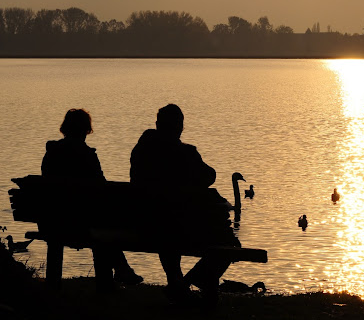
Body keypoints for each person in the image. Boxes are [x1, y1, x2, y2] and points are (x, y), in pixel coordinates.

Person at [130, 104, 238, 303]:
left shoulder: (141, 150)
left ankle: (177, 283)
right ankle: (189, 282)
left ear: (157, 125)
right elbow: (209, 176)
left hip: (144, 224)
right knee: (229, 243)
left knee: (167, 226)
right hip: (179, 228)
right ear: (180, 127)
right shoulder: (185, 154)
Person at [41, 108, 142, 289]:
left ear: (65, 128)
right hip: (79, 223)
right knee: (102, 227)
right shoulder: (86, 156)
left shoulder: (52, 153)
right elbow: (101, 188)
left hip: (52, 221)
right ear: (86, 130)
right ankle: (112, 277)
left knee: (99, 223)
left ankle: (120, 270)